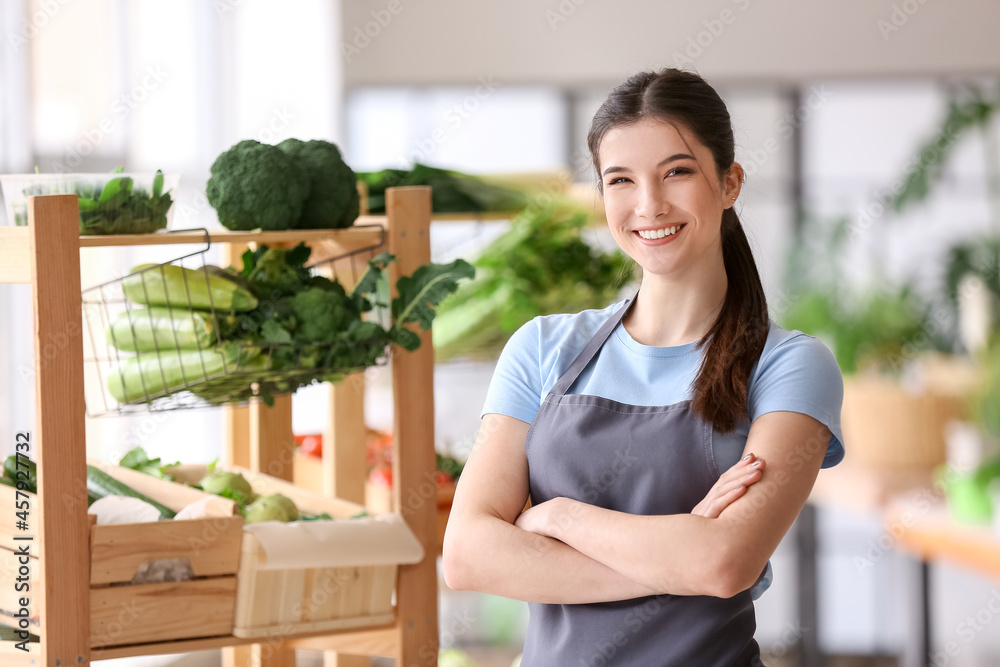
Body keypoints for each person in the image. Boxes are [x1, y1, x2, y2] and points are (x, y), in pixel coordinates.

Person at [442, 67, 845, 667]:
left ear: (729, 182)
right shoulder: (542, 348)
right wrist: (678, 552)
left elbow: (724, 562)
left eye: (677, 172)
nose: (648, 204)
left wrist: (557, 517)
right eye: (621, 180)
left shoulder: (789, 367)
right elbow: (468, 555)